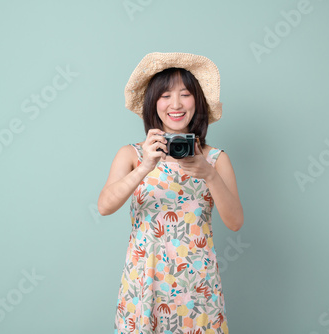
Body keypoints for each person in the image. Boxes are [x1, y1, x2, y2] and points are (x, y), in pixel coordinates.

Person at [98, 52, 244, 334]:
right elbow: (104, 206)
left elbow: (236, 222)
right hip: (145, 281)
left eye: (185, 94)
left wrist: (209, 174)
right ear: (153, 103)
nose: (175, 104)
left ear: (197, 102)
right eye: (165, 95)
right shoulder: (131, 154)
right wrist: (144, 167)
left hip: (197, 287)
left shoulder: (215, 160)